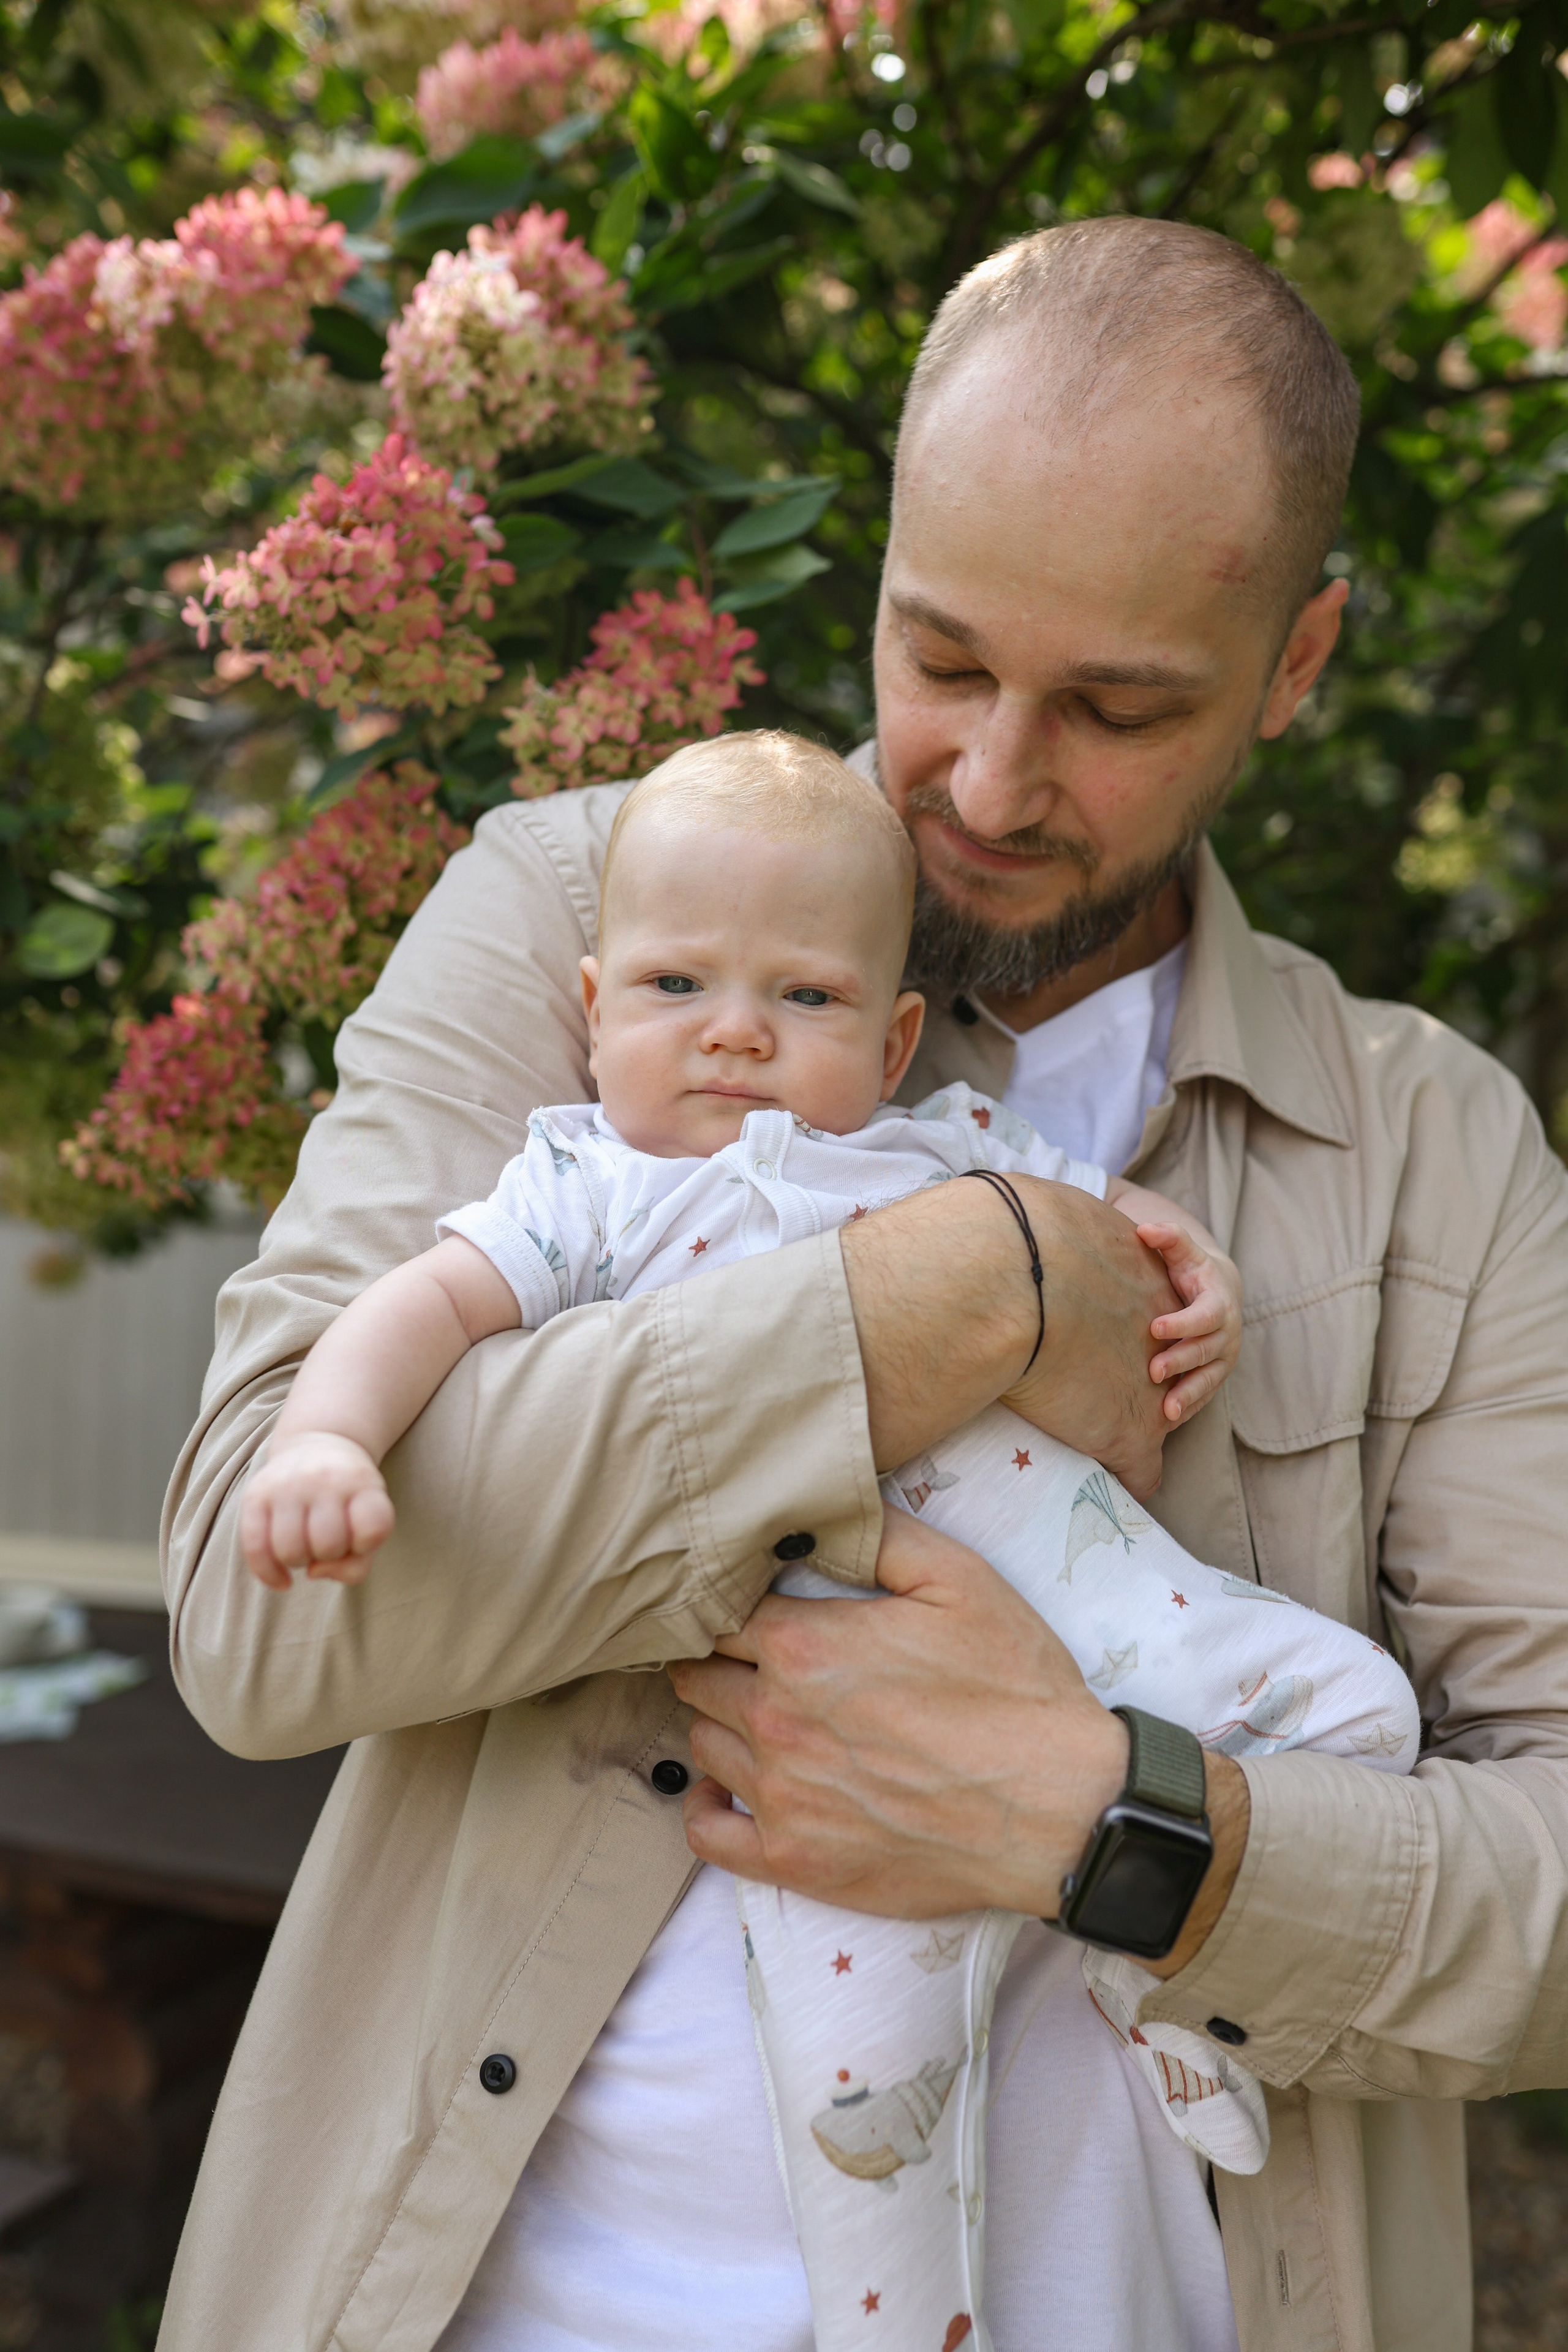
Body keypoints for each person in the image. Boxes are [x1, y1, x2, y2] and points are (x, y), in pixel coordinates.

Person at [156, 217, 1568, 2352]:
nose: (990, 788)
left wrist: (1114, 1832)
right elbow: (255, 1620)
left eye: (1116, 706)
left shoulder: (1432, 1152)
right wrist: (949, 1299)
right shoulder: (586, 919)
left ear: (1296, 664)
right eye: (942, 661)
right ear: (884, 571)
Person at [231, 728, 1418, 2350]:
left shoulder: (931, 1151)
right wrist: (326, 1439)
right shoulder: (586, 1194)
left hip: (1095, 1624)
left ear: (895, 1033)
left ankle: (1175, 1994)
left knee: (1357, 1716)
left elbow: (1108, 1224)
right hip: (816, 1713)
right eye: (673, 992)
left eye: (804, 1001)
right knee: (878, 2100)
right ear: (589, 1013)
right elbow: (422, 1308)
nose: (735, 1035)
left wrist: (1185, 1266)